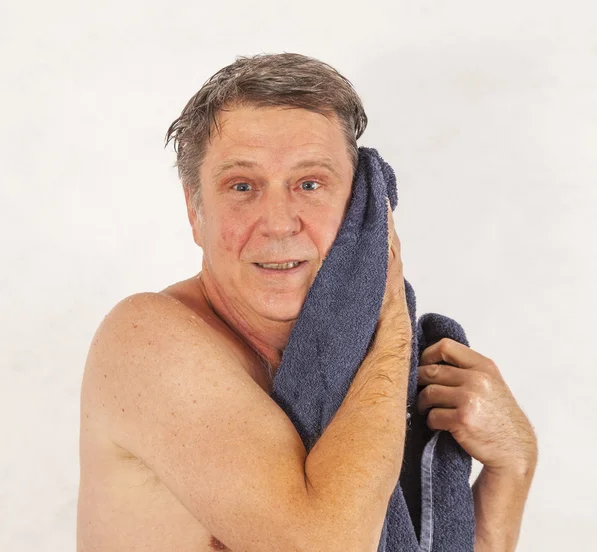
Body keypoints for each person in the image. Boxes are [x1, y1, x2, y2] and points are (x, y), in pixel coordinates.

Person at [77, 52, 537, 552]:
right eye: (243, 186)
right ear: (195, 211)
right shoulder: (149, 340)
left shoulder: (358, 376)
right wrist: (391, 317)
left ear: (359, 203)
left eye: (310, 184)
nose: (278, 221)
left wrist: (512, 467)